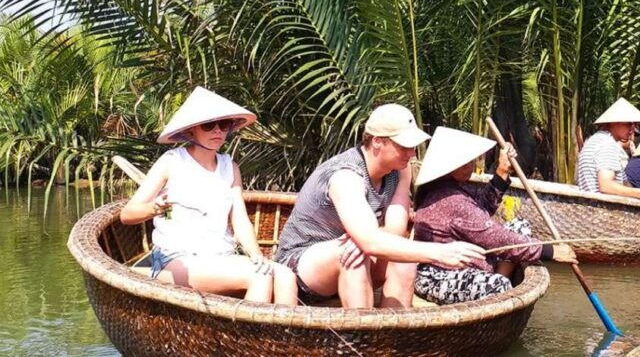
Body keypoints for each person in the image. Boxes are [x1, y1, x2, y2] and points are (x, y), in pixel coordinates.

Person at [275, 104, 486, 309]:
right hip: (302, 267)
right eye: (404, 147)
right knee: (353, 254)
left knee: (402, 259)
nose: (412, 154)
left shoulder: (401, 170)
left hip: (358, 254)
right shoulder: (346, 176)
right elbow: (370, 242)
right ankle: (362, 338)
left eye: (412, 147)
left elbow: (393, 231)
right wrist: (440, 253)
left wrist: (367, 240)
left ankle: (392, 336)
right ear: (377, 142)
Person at [120, 87, 297, 305]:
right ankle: (245, 339)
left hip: (221, 257)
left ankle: (277, 338)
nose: (217, 131)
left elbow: (239, 219)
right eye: (208, 125)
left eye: (223, 125)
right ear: (192, 130)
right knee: (259, 277)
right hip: (174, 259)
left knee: (286, 277)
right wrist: (155, 208)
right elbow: (127, 215)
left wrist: (256, 255)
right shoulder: (172, 162)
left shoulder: (230, 167)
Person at [413, 127, 578, 305]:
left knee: (520, 225)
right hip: (438, 275)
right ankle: (497, 288)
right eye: (464, 161)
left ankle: (499, 276)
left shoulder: (453, 189)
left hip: (467, 262)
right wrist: (550, 251)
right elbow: (499, 240)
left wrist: (503, 171)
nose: (470, 163)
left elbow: (480, 211)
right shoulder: (449, 199)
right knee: (498, 286)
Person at [575, 97, 640, 206]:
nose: (632, 128)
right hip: (601, 211)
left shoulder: (597, 140)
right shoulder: (607, 144)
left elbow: (625, 183)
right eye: (629, 124)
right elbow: (606, 186)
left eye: (635, 124)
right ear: (613, 123)